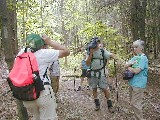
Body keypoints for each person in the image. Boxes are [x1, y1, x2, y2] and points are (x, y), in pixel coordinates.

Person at [19, 33, 70, 120]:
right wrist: (49, 41)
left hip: (26, 94)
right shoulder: (44, 53)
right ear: (42, 44)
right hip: (43, 93)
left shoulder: (21, 53)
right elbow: (66, 51)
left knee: (36, 117)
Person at [86, 37, 119, 112]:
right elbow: (87, 64)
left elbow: (110, 55)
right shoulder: (89, 51)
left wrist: (116, 59)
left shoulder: (102, 51)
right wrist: (91, 53)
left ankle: (110, 105)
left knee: (104, 89)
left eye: (97, 43)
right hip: (92, 74)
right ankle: (97, 104)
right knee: (94, 88)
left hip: (101, 74)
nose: (95, 45)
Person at [124, 40, 148, 120]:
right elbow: (125, 65)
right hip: (132, 83)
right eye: (133, 47)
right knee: (132, 102)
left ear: (141, 48)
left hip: (139, 84)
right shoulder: (135, 57)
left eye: (136, 47)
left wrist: (129, 67)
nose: (134, 49)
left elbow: (137, 71)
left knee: (136, 104)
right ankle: (136, 117)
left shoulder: (143, 58)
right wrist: (129, 65)